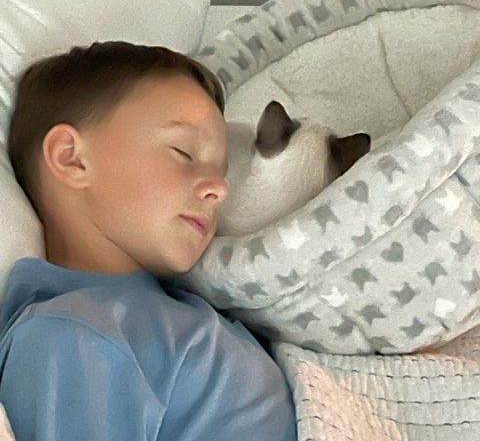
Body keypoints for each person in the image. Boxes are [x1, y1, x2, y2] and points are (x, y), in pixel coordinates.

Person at [0, 41, 297, 440]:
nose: (219, 190)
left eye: (221, 171)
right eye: (183, 152)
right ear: (72, 158)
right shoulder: (70, 335)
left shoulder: (179, 308)